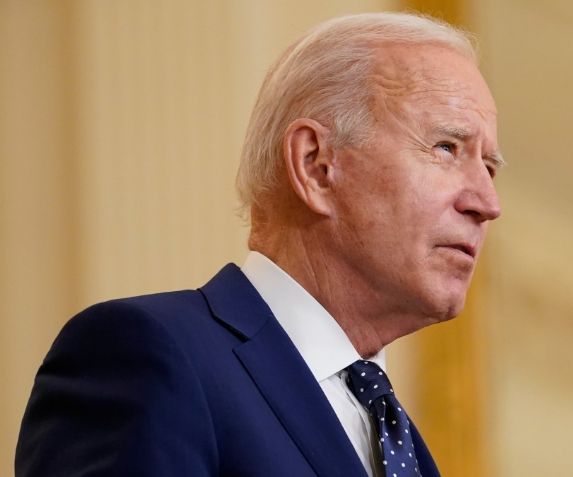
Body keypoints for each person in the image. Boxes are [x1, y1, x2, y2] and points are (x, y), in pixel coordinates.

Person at [16, 11, 502, 477]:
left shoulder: (403, 443)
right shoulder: (148, 357)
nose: (487, 201)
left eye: (490, 166)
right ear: (315, 165)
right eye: (447, 148)